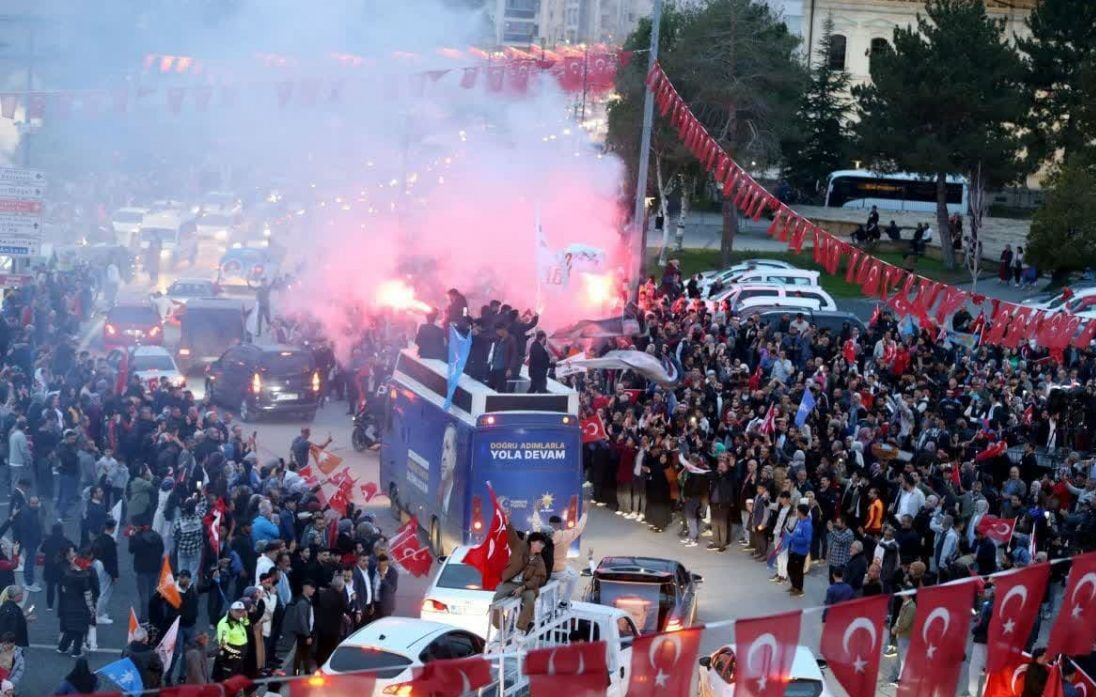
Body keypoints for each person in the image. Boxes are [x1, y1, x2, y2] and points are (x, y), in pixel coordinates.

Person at [491, 528, 548, 633]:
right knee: (496, 598)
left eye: (543, 544)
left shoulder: (539, 561)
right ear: (532, 542)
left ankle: (521, 628)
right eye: (539, 543)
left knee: (530, 599)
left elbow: (538, 579)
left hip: (526, 586)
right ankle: (499, 625)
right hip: (511, 582)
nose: (541, 546)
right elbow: (512, 537)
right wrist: (508, 524)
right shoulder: (520, 548)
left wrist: (523, 587)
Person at [531, 503, 588, 603]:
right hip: (560, 572)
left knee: (548, 596)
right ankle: (565, 602)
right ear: (559, 525)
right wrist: (584, 514)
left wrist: (536, 511)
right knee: (574, 577)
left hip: (546, 571)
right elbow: (579, 528)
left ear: (549, 524)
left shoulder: (542, 535)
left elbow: (536, 524)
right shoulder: (565, 535)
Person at [56, 549, 97, 657]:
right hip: (81, 608)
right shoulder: (84, 579)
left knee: (70, 629)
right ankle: (76, 651)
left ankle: (62, 647)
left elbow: (63, 590)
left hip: (68, 606)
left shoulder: (67, 576)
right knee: (80, 630)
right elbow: (88, 596)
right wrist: (92, 609)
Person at [277, 580, 315, 676]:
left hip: (304, 632)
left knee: (302, 654)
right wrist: (307, 635)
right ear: (305, 588)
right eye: (312, 588)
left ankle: (300, 673)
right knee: (302, 654)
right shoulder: (302, 603)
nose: (313, 590)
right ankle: (301, 673)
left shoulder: (306, 601)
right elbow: (302, 620)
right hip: (303, 633)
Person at [214, 602, 250, 682]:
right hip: (229, 658)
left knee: (236, 680)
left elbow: (247, 625)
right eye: (237, 611)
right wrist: (236, 652)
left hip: (238, 658)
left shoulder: (239, 619)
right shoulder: (225, 624)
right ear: (231, 610)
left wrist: (245, 618)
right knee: (226, 682)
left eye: (241, 611)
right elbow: (223, 645)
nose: (239, 614)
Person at [90, 519, 118, 624]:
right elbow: (112, 559)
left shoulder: (99, 538)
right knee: (104, 592)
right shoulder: (110, 541)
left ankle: (99, 612)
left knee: (100, 589)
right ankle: (99, 615)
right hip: (106, 568)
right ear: (112, 528)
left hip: (98, 564)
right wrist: (115, 575)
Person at [12, 497, 42, 592]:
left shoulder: (29, 511)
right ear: (29, 503)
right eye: (33, 503)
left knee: (30, 561)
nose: (35, 505)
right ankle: (29, 583)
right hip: (30, 541)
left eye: (36, 503)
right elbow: (29, 529)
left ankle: (28, 581)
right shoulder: (28, 513)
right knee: (30, 561)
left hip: (31, 541)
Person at [786, 503, 812, 597]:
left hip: (801, 551)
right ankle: (794, 585)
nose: (796, 512)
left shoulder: (807, 525)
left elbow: (807, 539)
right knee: (790, 568)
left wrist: (793, 539)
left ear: (801, 512)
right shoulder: (800, 521)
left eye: (797, 510)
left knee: (798, 571)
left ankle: (799, 589)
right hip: (794, 549)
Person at [373, 554, 398, 619]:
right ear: (377, 563)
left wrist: (383, 580)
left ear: (387, 564)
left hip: (385, 605)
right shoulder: (373, 570)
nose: (382, 567)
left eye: (384, 565)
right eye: (380, 565)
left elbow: (393, 589)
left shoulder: (393, 572)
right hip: (374, 604)